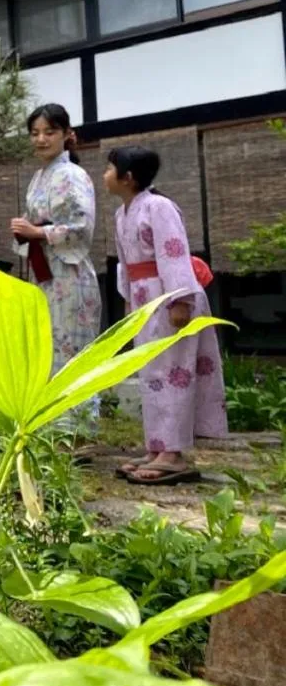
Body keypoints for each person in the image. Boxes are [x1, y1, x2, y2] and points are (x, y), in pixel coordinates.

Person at [104, 146, 227, 485]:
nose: (105, 175)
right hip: (145, 298)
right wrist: (129, 303)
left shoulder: (159, 207)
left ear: (127, 178)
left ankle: (173, 453)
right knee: (152, 371)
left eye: (110, 169)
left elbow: (174, 253)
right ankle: (157, 447)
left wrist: (181, 300)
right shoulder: (121, 214)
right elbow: (125, 267)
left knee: (174, 370)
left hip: (169, 295)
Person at [10, 104, 103, 437]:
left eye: (49, 132)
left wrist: (37, 232)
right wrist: (26, 231)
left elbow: (81, 227)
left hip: (70, 274)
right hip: (45, 272)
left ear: (67, 135)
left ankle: (77, 431)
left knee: (70, 349)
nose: (41, 139)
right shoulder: (39, 176)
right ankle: (52, 428)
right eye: (35, 133)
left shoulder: (72, 175)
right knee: (46, 347)